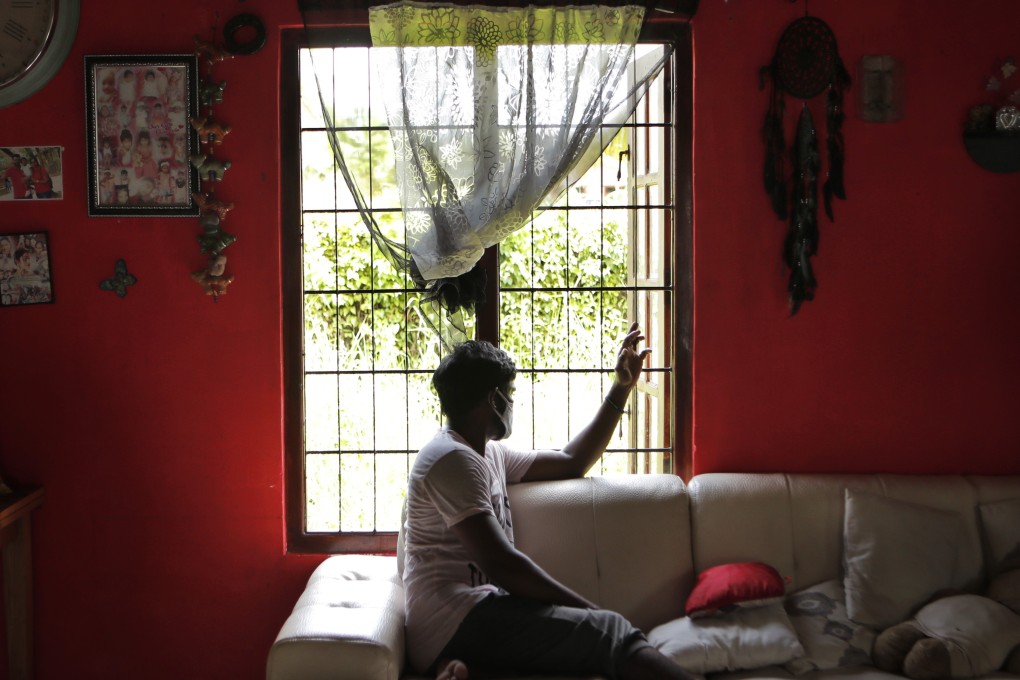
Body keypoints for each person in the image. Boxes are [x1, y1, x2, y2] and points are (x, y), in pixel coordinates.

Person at [404, 323, 696, 680]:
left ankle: (459, 670)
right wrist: (588, 612)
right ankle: (455, 662)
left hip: (472, 620)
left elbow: (572, 460)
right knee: (612, 634)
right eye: (510, 395)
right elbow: (502, 564)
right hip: (453, 619)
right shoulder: (450, 458)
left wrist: (621, 389)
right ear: (494, 400)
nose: (512, 404)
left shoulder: (488, 453)